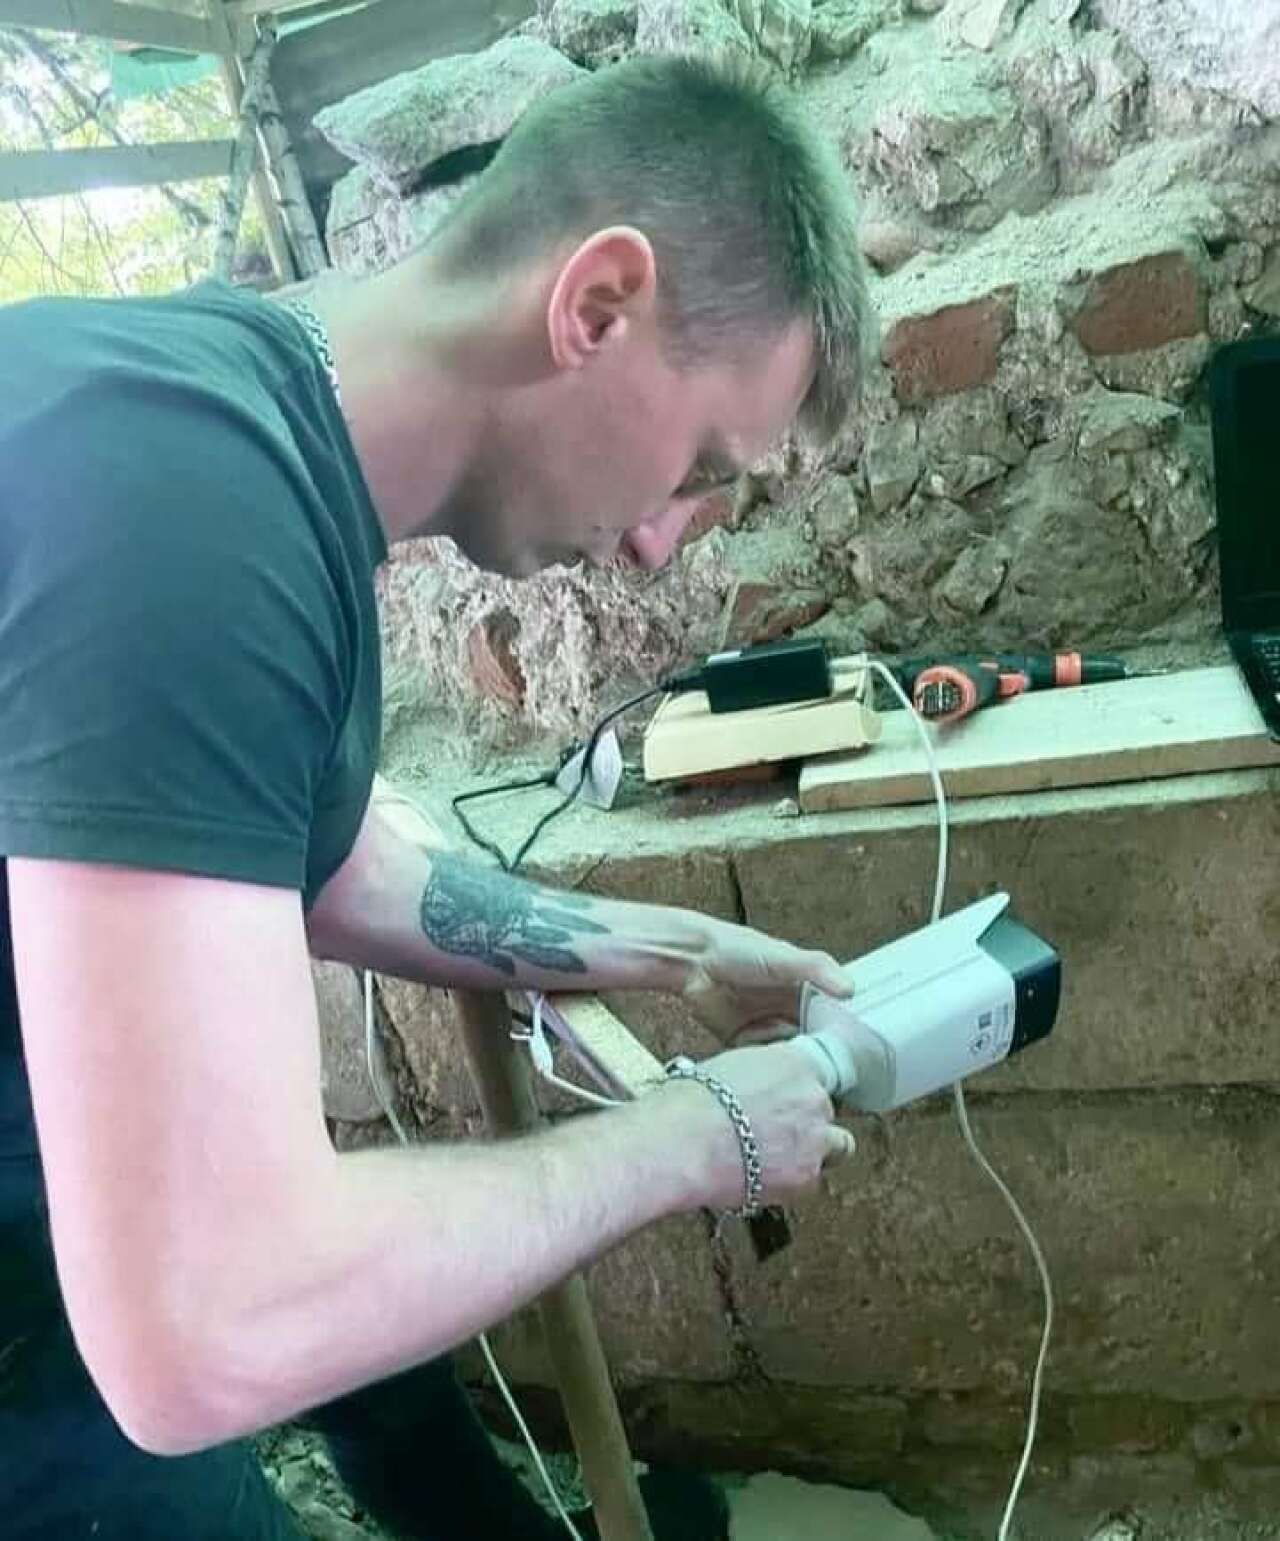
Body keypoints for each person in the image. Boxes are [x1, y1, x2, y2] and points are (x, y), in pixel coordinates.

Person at [0, 53, 874, 1541]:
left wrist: (673, 951)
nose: (661, 542)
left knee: (379, 1340)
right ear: (597, 304)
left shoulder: (243, 428)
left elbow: (332, 862)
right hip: (56, 1330)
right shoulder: (186, 518)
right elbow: (208, 1321)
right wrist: (694, 1139)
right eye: (699, 466)